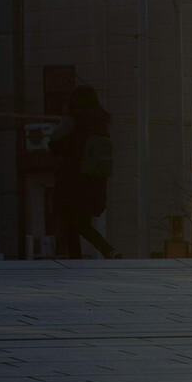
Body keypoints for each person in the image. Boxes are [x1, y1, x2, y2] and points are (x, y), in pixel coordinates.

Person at [49, 84, 120, 260]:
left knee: (70, 223)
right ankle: (109, 251)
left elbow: (54, 141)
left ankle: (76, 260)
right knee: (83, 223)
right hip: (95, 180)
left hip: (72, 178)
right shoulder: (103, 120)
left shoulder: (72, 119)